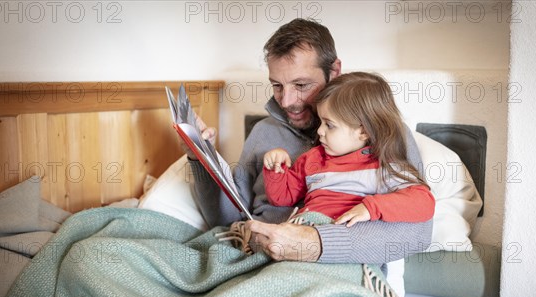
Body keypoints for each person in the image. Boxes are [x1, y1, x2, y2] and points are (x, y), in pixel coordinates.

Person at [186, 18, 433, 263]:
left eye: (302, 85)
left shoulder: (383, 132)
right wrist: (198, 158)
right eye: (277, 86)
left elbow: (418, 232)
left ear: (334, 71)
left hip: (328, 263)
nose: (286, 101)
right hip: (256, 258)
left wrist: (311, 244)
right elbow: (225, 220)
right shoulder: (263, 132)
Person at [262, 72, 435, 228]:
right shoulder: (313, 159)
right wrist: (276, 167)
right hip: (304, 229)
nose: (320, 131)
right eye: (321, 122)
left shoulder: (381, 167)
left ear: (363, 131)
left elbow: (424, 202)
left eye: (329, 125)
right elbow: (281, 198)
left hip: (342, 236)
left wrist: (371, 208)